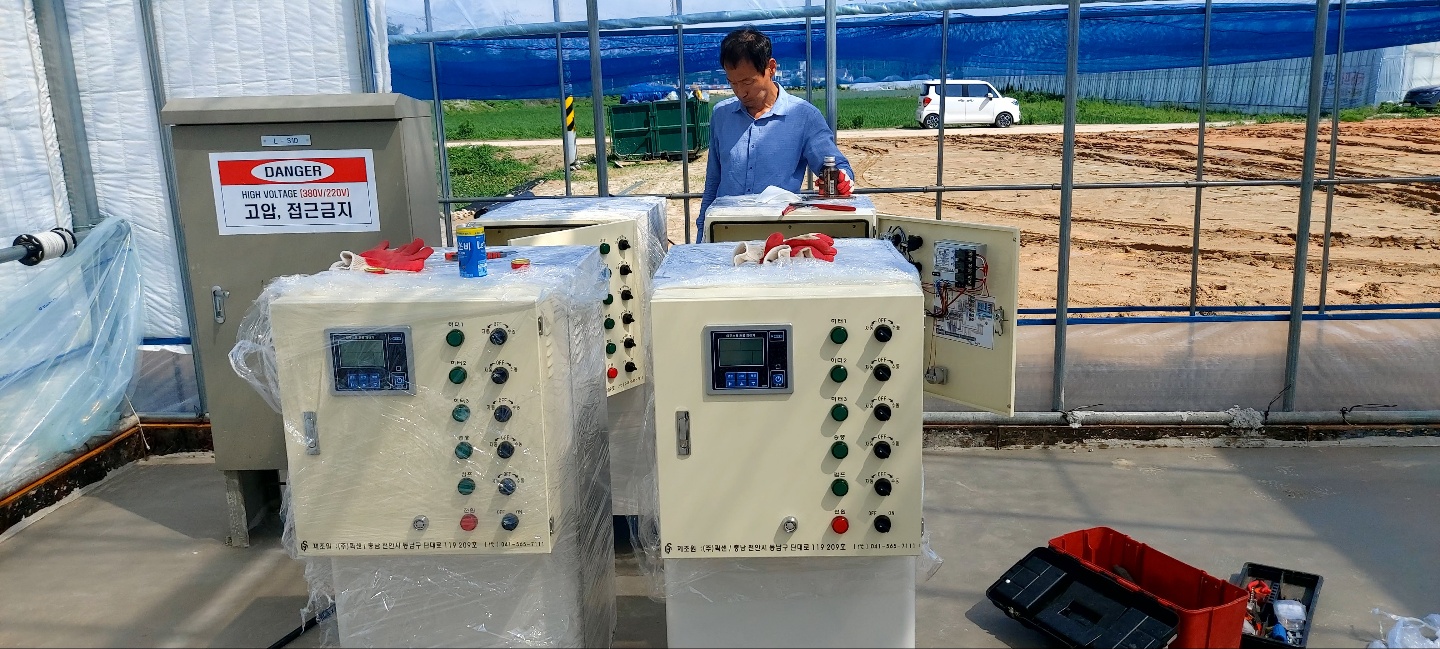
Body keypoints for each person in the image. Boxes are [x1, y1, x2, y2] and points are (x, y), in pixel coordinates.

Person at [698, 28, 854, 241]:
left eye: (747, 82)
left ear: (771, 68)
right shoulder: (721, 115)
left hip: (777, 237)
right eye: (732, 83)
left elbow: (837, 167)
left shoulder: (803, 116)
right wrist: (702, 232)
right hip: (725, 231)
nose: (740, 92)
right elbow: (713, 182)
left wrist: (842, 179)